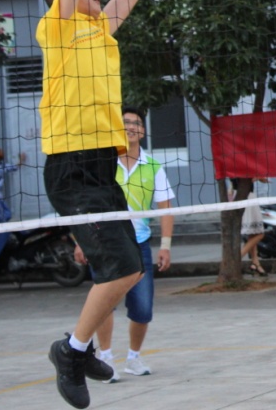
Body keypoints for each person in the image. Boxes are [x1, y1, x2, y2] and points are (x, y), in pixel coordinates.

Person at [39, 0, 143, 409]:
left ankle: (75, 349)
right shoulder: (57, 28)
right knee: (121, 267)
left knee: (130, 270)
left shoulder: (101, 29)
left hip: (101, 164)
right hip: (70, 164)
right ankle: (72, 351)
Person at [77, 106, 174, 381]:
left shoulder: (153, 166)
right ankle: (106, 358)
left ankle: (133, 357)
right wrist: (81, 241)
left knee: (143, 308)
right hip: (105, 244)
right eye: (126, 122)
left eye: (137, 123)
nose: (131, 126)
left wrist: (165, 245)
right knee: (105, 304)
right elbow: (84, 206)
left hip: (139, 243)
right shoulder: (101, 165)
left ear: (142, 131)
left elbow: (166, 208)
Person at [239, 177, 269, 276]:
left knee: (253, 233)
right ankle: (238, 257)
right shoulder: (242, 171)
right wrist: (260, 177)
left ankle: (255, 263)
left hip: (244, 196)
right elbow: (252, 178)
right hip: (247, 197)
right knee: (260, 234)